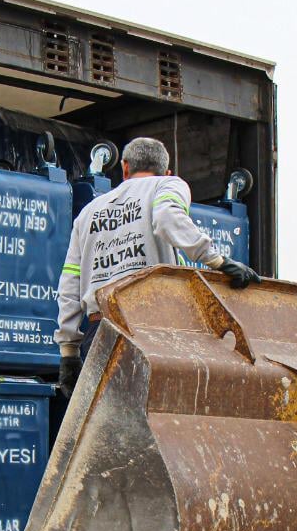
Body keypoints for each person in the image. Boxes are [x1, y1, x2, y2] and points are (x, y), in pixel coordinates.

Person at [56, 137, 260, 393]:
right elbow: (167, 218)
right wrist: (219, 261)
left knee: (110, 427)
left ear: (125, 168)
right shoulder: (167, 185)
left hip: (100, 330)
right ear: (166, 171)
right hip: (150, 325)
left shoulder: (88, 212)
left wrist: (68, 351)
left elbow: (70, 282)